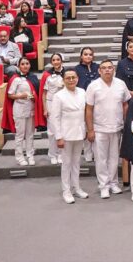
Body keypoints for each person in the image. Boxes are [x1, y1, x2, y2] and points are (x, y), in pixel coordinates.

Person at [85, 59, 131, 199]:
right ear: (99, 71)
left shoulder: (121, 84)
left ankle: (113, 183)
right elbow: (89, 109)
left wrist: (126, 124)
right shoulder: (93, 86)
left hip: (116, 127)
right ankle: (103, 186)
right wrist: (90, 129)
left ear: (113, 69)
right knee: (101, 159)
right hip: (99, 128)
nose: (107, 70)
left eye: (110, 67)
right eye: (104, 68)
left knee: (114, 158)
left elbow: (125, 105)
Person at [50, 69, 89, 204]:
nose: (71, 80)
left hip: (79, 132)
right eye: (68, 78)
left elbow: (85, 112)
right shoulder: (59, 96)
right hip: (65, 134)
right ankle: (66, 190)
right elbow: (55, 118)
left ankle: (76, 187)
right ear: (63, 80)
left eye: (73, 77)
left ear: (77, 78)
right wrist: (58, 137)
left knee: (76, 162)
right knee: (66, 163)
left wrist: (86, 130)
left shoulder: (82, 92)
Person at [1, 58, 43, 166]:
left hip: (31, 108)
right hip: (19, 109)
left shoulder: (33, 77)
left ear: (30, 65)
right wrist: (20, 96)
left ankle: (30, 155)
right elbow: (9, 95)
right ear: (19, 66)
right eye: (23, 64)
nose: (25, 66)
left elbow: (37, 92)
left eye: (27, 63)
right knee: (20, 135)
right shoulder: (15, 79)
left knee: (30, 134)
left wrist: (34, 97)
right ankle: (19, 157)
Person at [41, 53, 66, 164]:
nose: (56, 62)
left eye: (58, 59)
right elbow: (44, 93)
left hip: (63, 104)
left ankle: (61, 154)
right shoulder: (47, 75)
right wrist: (45, 109)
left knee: (62, 130)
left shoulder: (67, 74)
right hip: (51, 103)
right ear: (51, 62)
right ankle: (52, 154)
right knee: (52, 131)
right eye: (54, 60)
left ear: (61, 61)